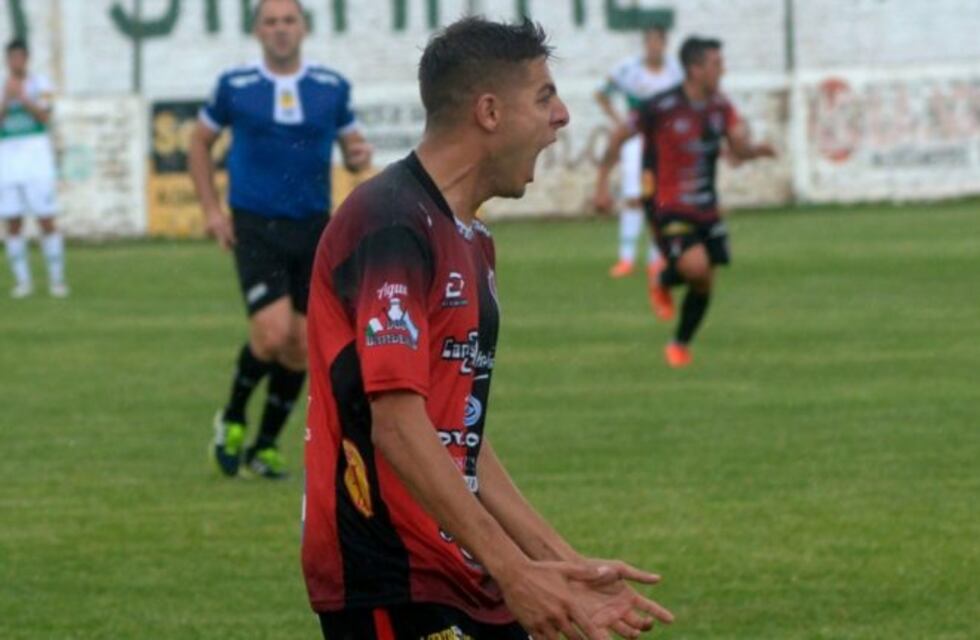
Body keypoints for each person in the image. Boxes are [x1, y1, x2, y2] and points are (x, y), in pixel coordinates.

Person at [302, 17, 675, 640]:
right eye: (545, 97)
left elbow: (459, 434)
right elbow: (398, 426)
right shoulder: (389, 223)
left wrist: (559, 562)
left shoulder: (471, 238)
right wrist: (515, 569)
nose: (562, 116)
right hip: (393, 576)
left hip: (463, 572)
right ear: (490, 112)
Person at [189, 0, 371, 479]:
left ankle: (264, 446)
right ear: (257, 31)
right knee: (271, 334)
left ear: (303, 27)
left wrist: (358, 155)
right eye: (270, 21)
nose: (280, 29)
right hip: (256, 225)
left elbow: (353, 147)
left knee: (300, 345)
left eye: (289, 20)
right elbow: (198, 142)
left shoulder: (330, 87)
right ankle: (232, 418)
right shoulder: (236, 86)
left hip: (314, 228)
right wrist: (212, 210)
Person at [595, 36, 776, 368]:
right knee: (696, 267)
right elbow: (620, 135)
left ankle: (679, 339)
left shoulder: (720, 107)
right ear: (695, 69)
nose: (722, 70)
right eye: (716, 64)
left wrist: (755, 151)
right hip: (666, 205)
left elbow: (738, 148)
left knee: (705, 279)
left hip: (706, 205)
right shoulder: (661, 106)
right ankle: (666, 281)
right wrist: (602, 185)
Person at [595, 26, 682, 281]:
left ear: (664, 44)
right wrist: (618, 120)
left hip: (665, 141)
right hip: (635, 139)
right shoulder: (629, 69)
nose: (653, 46)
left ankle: (657, 259)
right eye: (649, 42)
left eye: (657, 42)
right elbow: (602, 93)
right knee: (634, 197)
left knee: (660, 197)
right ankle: (626, 258)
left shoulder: (675, 71)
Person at [1, 38, 67, 299]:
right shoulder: (2, 86)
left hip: (37, 161)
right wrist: (6, 99)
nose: (15, 62)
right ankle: (23, 282)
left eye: (19, 57)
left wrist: (23, 97)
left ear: (26, 59)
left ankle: (57, 280)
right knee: (13, 222)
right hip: (7, 161)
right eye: (11, 58)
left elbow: (45, 117)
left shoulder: (42, 84)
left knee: (46, 219)